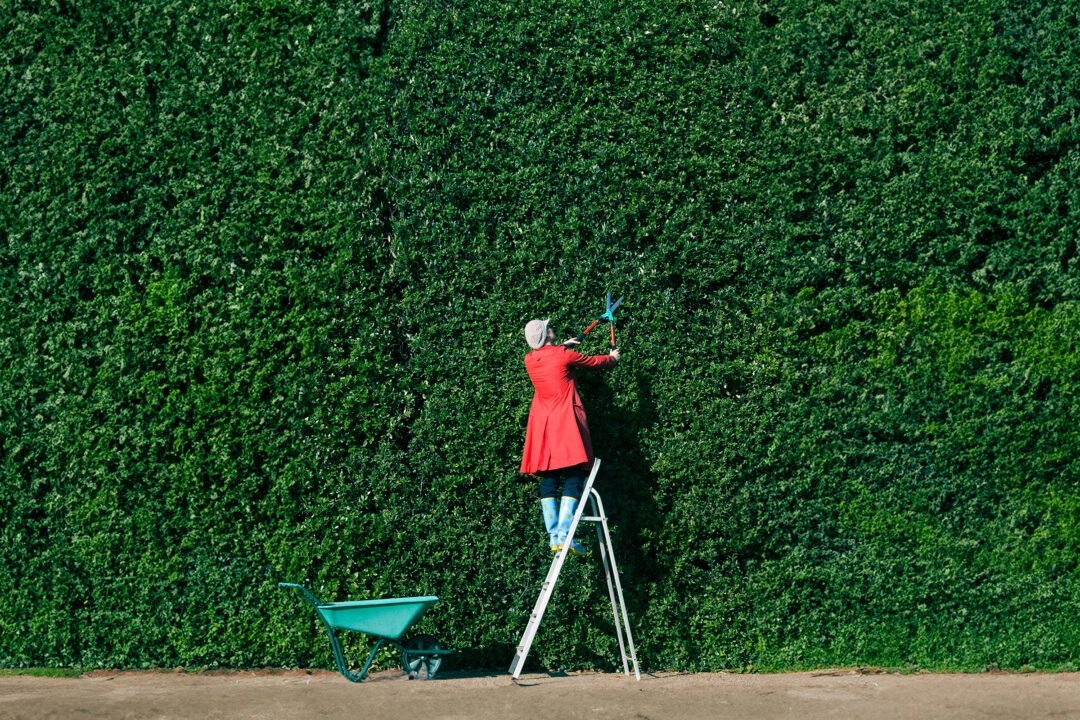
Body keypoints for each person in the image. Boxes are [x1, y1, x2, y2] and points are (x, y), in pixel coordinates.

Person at [520, 318, 620, 554]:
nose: (552, 329)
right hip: (565, 425)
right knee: (575, 475)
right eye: (549, 329)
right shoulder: (563, 354)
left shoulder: (530, 359)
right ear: (545, 336)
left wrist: (563, 345)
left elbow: (549, 355)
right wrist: (613, 358)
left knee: (549, 479)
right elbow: (594, 362)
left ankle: (555, 536)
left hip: (543, 428)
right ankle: (565, 534)